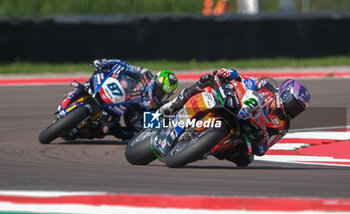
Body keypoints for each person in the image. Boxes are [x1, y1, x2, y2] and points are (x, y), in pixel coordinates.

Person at [160, 68, 310, 166]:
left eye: (297, 109)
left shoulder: (282, 126)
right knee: (208, 79)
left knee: (245, 159)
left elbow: (263, 149)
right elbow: (242, 78)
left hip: (242, 131)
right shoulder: (265, 87)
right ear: (284, 94)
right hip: (232, 102)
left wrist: (260, 135)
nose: (292, 111)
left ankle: (202, 149)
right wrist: (230, 73)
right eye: (293, 105)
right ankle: (175, 105)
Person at [59, 59, 178, 140]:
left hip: (121, 113)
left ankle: (84, 131)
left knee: (106, 130)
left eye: (164, 95)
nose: (160, 96)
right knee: (86, 85)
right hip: (116, 93)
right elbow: (124, 65)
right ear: (155, 82)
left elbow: (157, 119)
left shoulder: (157, 104)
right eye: (159, 92)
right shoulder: (144, 75)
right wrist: (105, 63)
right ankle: (70, 99)